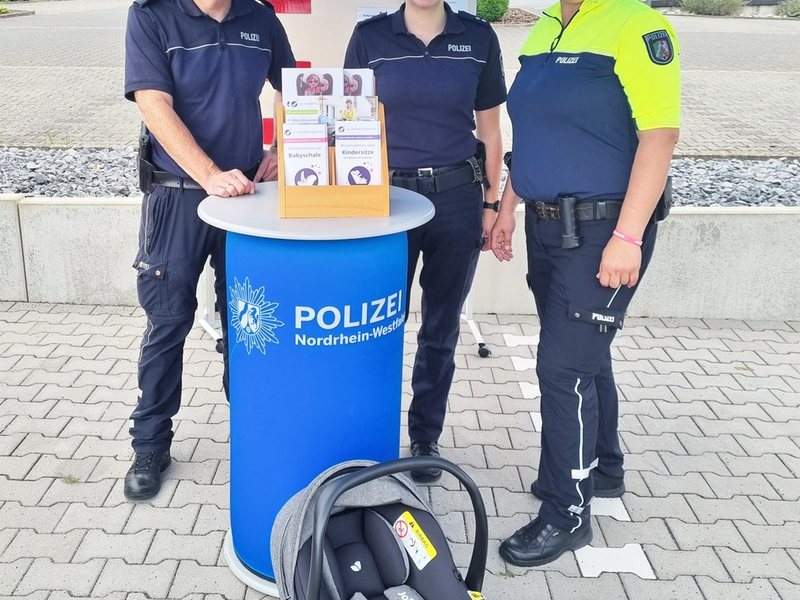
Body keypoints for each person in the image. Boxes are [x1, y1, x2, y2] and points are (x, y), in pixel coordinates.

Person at [490, 0, 680, 566]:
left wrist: (627, 237)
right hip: (549, 227)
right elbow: (539, 133)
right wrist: (507, 205)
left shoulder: (637, 23)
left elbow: (660, 136)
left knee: (563, 369)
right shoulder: (545, 27)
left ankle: (566, 512)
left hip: (606, 230)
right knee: (587, 359)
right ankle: (604, 470)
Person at [123, 0, 295, 501]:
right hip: (178, 195)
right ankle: (151, 444)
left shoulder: (260, 18)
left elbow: (293, 89)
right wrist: (209, 176)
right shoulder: (152, 15)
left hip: (243, 199)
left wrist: (283, 149)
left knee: (247, 322)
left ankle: (250, 431)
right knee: (168, 321)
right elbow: (154, 105)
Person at [344, 0, 506, 483]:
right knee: (376, 324)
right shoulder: (370, 38)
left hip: (456, 199)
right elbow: (349, 120)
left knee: (440, 328)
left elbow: (491, 129)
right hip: (387, 200)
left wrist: (493, 203)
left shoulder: (478, 38)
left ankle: (425, 436)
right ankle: (367, 436)